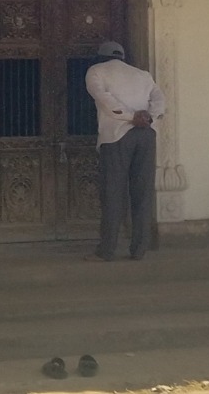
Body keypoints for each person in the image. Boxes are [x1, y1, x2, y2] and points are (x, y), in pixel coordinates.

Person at [83, 40, 165, 261]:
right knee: (142, 192)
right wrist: (148, 117)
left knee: (112, 193)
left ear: (101, 56)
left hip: (117, 136)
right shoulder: (142, 75)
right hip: (146, 135)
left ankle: (107, 250)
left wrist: (131, 117)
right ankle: (139, 249)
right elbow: (159, 99)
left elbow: (105, 100)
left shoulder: (96, 71)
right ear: (122, 57)